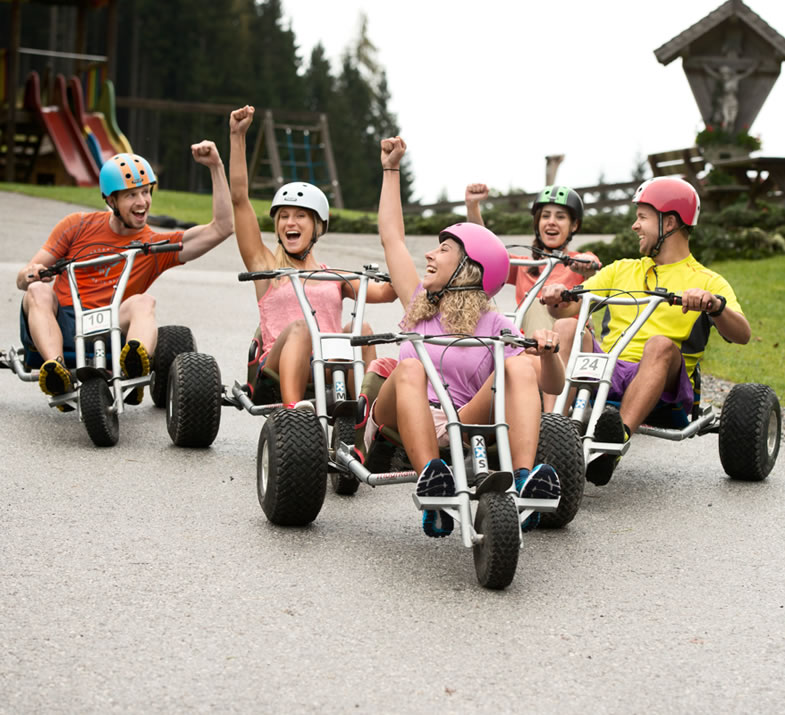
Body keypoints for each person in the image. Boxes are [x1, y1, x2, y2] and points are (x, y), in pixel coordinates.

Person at [375, 136, 565, 538]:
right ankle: (434, 481)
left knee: (518, 368)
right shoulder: (417, 303)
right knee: (410, 367)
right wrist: (390, 168)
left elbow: (551, 385)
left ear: (468, 269)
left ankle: (524, 479)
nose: (429, 255)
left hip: (461, 420)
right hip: (403, 410)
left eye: (442, 249)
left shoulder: (496, 325)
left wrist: (548, 353)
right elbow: (392, 237)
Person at [540, 176, 750, 485]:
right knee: (567, 327)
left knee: (660, 344)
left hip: (666, 388)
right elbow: (568, 309)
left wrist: (713, 306)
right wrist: (557, 296)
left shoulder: (707, 281)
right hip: (609, 372)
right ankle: (551, 426)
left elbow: (742, 334)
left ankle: (612, 446)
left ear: (670, 221)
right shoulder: (621, 269)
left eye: (642, 217)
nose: (635, 226)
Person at [17, 143, 233, 405]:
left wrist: (216, 167)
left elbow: (222, 228)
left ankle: (134, 366)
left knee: (144, 301)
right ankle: (56, 371)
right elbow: (25, 276)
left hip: (114, 324)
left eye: (145, 192)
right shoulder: (77, 226)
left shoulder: (153, 246)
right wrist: (33, 274)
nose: (142, 202)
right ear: (111, 200)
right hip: (66, 323)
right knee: (37, 292)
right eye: (131, 195)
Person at [228, 105, 396, 409]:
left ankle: (364, 416)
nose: (290, 223)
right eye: (284, 217)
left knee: (365, 331)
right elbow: (240, 201)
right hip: (282, 363)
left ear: (318, 226)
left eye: (300, 217)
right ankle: (296, 416)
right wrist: (237, 136)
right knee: (302, 326)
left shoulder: (333, 277)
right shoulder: (267, 267)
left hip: (331, 363)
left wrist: (400, 262)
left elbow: (386, 292)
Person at [465, 183, 600, 336]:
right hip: (530, 346)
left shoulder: (579, 262)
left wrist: (587, 264)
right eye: (545, 216)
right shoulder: (524, 266)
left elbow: (595, 273)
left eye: (560, 217)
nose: (551, 222)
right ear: (537, 223)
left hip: (571, 343)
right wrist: (472, 205)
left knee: (535, 304)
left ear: (574, 225)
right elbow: (486, 251)